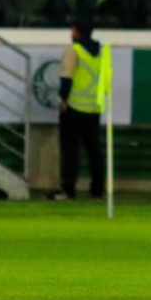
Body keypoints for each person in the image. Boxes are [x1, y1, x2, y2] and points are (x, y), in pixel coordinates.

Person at [50, 18, 108, 201]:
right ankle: (98, 190)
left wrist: (63, 99)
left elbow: (66, 78)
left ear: (76, 31)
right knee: (94, 151)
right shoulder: (101, 52)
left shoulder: (73, 51)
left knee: (70, 151)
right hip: (94, 107)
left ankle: (68, 190)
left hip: (74, 107)